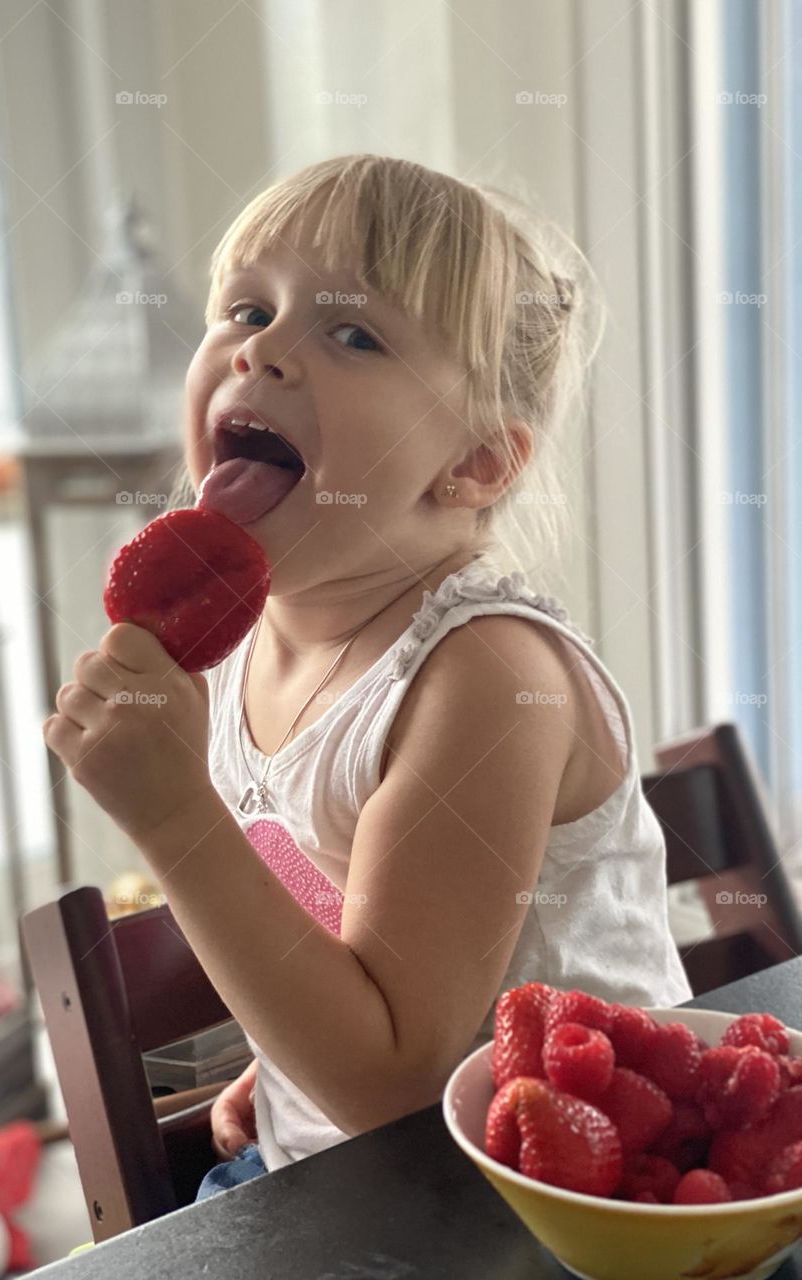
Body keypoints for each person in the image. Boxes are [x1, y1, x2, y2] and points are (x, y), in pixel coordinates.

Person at [171, 154, 694, 1201]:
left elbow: (399, 1085)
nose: (261, 350)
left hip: (569, 1200)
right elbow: (351, 936)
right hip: (344, 1177)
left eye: (353, 334)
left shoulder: (486, 677)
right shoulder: (232, 654)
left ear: (475, 465)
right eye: (247, 309)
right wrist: (291, 1051)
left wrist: (169, 812)